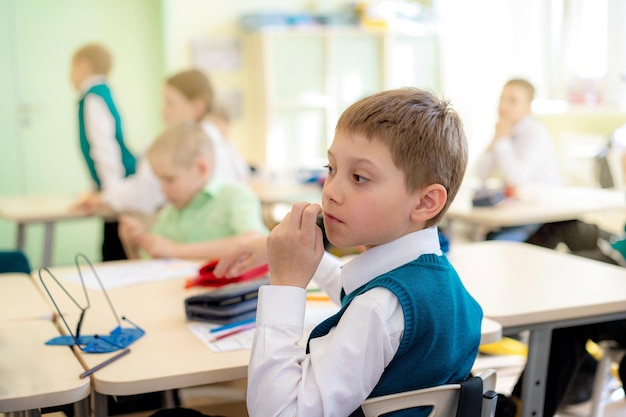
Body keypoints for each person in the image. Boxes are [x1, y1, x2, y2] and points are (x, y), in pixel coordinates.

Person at [151, 88, 483, 416]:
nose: (332, 191)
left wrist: (286, 285)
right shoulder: (436, 280)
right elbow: (355, 289)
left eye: (359, 177)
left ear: (425, 202)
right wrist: (283, 254)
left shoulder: (376, 309)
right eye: (331, 169)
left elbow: (279, 413)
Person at [76, 68, 249, 216]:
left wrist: (104, 198)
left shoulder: (176, 144)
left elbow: (143, 194)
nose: (163, 110)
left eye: (170, 103)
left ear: (197, 107)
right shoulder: (222, 140)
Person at [118, 122, 267, 261]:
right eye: (159, 180)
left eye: (169, 179)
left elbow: (251, 243)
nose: (162, 188)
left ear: (201, 168)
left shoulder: (236, 197)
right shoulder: (170, 213)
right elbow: (153, 264)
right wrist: (132, 245)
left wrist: (176, 250)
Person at [70, 43, 137, 261]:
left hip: (117, 185)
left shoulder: (92, 98)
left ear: (83, 65)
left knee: (114, 250)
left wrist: (108, 195)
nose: (69, 75)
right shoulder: (101, 93)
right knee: (111, 246)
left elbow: (104, 149)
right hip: (114, 184)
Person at [472, 78, 561, 241]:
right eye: (502, 99)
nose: (503, 106)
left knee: (495, 243)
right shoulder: (505, 131)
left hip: (540, 215)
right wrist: (495, 141)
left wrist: (501, 141)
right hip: (515, 213)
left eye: (512, 101)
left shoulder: (536, 132)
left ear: (528, 107)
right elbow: (480, 173)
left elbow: (516, 179)